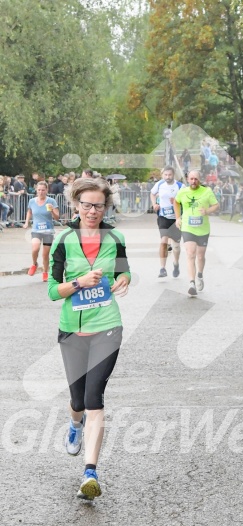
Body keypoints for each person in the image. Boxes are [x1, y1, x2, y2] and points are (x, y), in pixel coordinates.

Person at [48, 177, 131, 500]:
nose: (92, 211)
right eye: (86, 204)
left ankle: (90, 472)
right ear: (76, 205)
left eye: (98, 205)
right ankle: (75, 424)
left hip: (107, 326)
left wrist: (124, 278)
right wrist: (79, 282)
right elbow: (54, 291)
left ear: (105, 206)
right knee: (78, 401)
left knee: (95, 397)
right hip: (72, 329)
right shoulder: (64, 240)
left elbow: (125, 270)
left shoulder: (115, 237)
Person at [173, 170, 219, 296]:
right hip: (188, 227)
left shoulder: (206, 191)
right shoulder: (183, 192)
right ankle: (191, 283)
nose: (193, 181)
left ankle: (200, 274)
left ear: (200, 180)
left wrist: (207, 211)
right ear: (188, 179)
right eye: (191, 179)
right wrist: (178, 218)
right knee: (190, 254)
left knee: (200, 256)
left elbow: (216, 205)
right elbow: (176, 202)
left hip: (203, 229)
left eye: (196, 179)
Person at [150, 166, 183, 278]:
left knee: (176, 246)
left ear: (173, 174)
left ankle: (176, 264)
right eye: (165, 175)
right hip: (163, 217)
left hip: (176, 218)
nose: (168, 177)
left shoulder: (180, 186)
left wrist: (177, 201)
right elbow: (152, 193)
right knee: (163, 242)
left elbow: (187, 200)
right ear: (162, 175)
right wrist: (154, 204)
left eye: (170, 175)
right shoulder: (159, 184)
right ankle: (162, 268)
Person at [23, 181, 60, 281]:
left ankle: (45, 272)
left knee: (45, 254)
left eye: (43, 190)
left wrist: (52, 211)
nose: (41, 192)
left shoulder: (51, 201)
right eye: (39, 190)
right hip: (36, 229)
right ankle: (34, 264)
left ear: (47, 190)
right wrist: (26, 222)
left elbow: (57, 218)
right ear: (36, 190)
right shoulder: (32, 201)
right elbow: (29, 212)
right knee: (35, 248)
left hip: (48, 230)